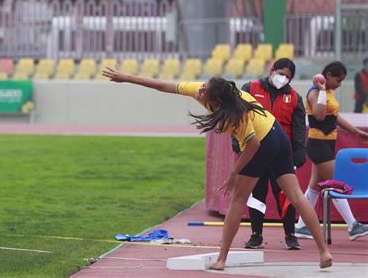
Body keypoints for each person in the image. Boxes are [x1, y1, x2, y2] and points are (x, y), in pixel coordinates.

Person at [102, 67, 332, 270]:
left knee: (238, 199)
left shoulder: (236, 114)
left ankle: (222, 258)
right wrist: (127, 78)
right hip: (276, 133)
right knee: (296, 196)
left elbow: (252, 145)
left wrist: (233, 173)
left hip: (264, 140)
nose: (199, 91)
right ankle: (324, 253)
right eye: (202, 87)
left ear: (217, 99)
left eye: (204, 90)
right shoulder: (209, 91)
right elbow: (164, 85)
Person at [232, 58, 305, 250]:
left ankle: (290, 235)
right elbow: (237, 115)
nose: (283, 78)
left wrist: (299, 153)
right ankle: (256, 235)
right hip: (255, 151)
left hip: (281, 154)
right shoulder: (251, 88)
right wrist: (237, 143)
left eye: (288, 77)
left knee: (286, 194)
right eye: (281, 74)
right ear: (272, 70)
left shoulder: (295, 98)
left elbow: (298, 129)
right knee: (257, 194)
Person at [295, 61, 368, 241]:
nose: (339, 84)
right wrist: (320, 90)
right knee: (337, 185)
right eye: (338, 80)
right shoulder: (314, 92)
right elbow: (319, 115)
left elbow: (335, 116)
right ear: (327, 75)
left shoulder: (329, 92)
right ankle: (352, 226)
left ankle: (301, 226)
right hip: (318, 145)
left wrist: (357, 132)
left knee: (314, 188)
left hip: (328, 144)